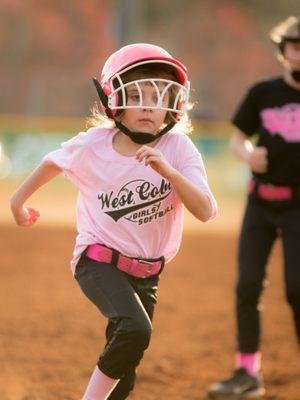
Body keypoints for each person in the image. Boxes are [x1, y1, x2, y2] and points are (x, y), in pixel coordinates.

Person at [10, 43, 217, 400]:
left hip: (148, 273)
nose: (149, 105)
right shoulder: (94, 144)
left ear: (174, 103)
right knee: (136, 329)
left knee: (125, 376)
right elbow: (53, 162)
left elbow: (205, 210)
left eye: (159, 95)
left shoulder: (179, 149)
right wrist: (17, 202)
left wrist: (170, 172)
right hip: (97, 260)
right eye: (136, 94)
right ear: (113, 100)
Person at [207, 16, 300, 400]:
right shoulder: (262, 93)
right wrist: (248, 155)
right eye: (294, 47)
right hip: (260, 204)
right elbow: (237, 139)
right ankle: (247, 373)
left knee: (298, 289)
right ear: (283, 53)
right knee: (247, 285)